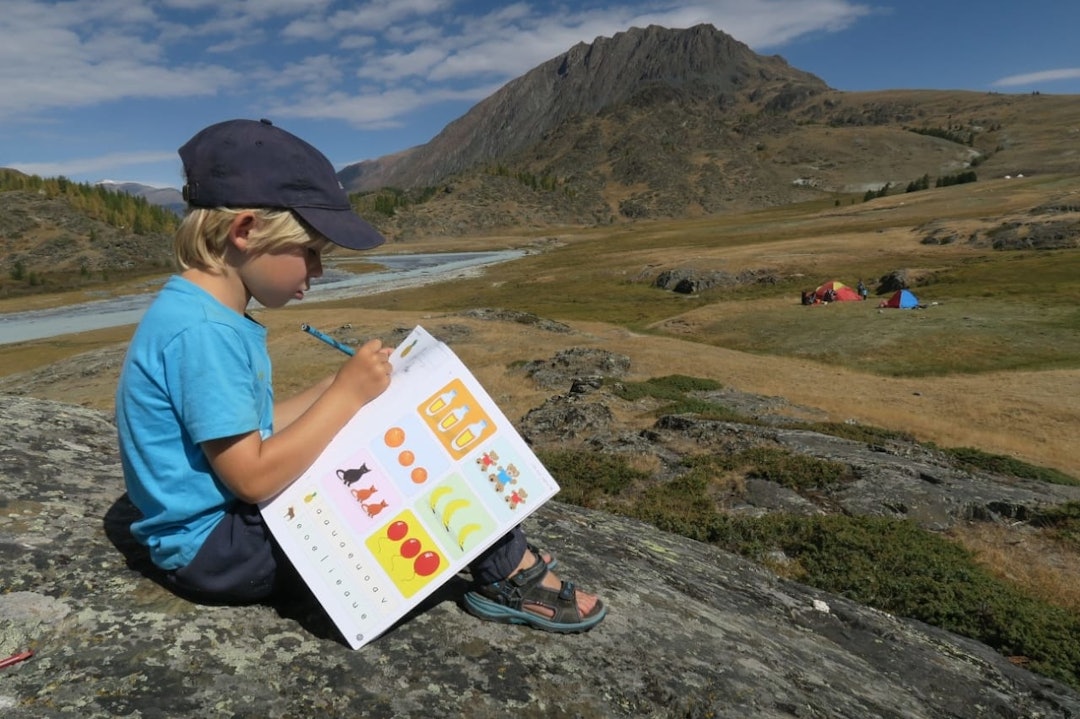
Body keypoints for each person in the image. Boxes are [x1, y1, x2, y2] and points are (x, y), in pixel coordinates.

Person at [114, 118, 605, 636]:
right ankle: (507, 572)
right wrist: (346, 398)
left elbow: (246, 429)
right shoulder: (204, 333)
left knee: (374, 443)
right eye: (310, 251)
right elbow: (252, 476)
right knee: (407, 466)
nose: (318, 272)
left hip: (218, 534)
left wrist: (332, 389)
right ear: (246, 231)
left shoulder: (199, 313)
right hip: (219, 550)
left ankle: (501, 555)